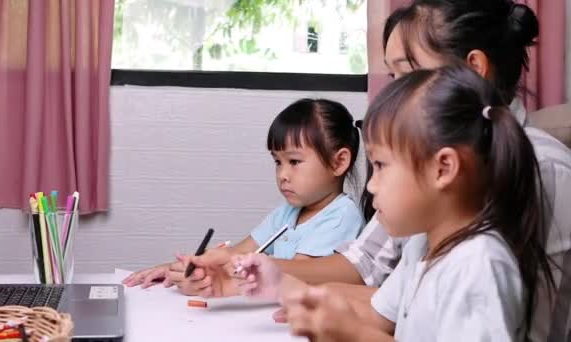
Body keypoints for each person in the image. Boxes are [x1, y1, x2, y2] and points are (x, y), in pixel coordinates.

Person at [234, 64, 556, 341]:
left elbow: (366, 329)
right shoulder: (423, 244)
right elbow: (378, 315)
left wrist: (354, 335)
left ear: (442, 168)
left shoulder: (478, 265)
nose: (371, 185)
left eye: (381, 166)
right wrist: (280, 285)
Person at [122, 98, 365, 294]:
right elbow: (240, 252)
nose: (283, 175)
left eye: (294, 161)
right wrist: (184, 270)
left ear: (339, 162)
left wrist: (225, 266)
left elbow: (296, 274)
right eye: (277, 162)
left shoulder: (341, 216)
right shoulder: (287, 212)